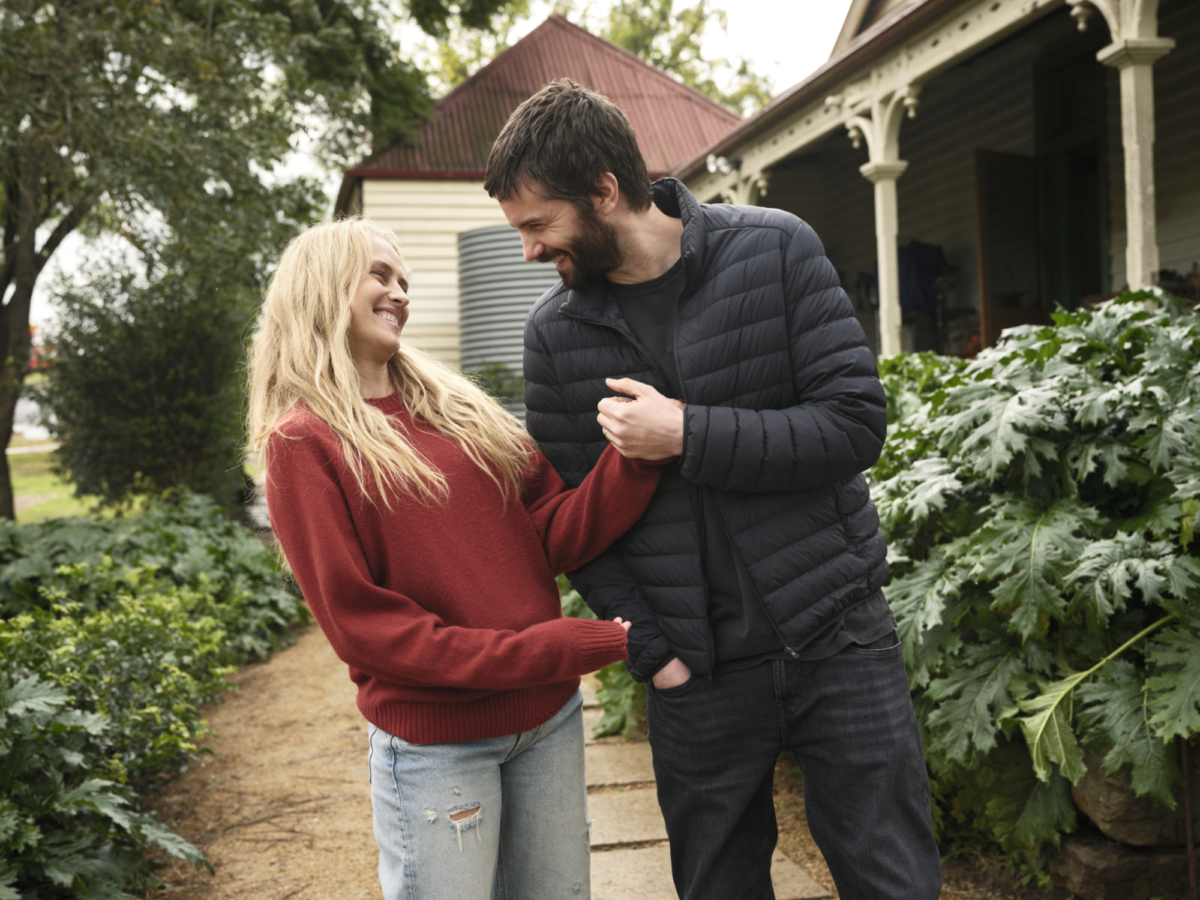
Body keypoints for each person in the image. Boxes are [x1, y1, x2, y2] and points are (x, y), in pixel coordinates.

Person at [485, 80, 943, 900]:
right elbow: (572, 523)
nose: (528, 251)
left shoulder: (775, 248)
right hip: (695, 675)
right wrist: (654, 656)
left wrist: (688, 434)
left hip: (839, 639)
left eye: (537, 224)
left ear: (604, 191)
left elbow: (853, 425)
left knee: (894, 883)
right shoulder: (554, 336)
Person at [246, 218, 669, 900]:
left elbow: (547, 536)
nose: (399, 293)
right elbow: (365, 626)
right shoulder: (304, 442)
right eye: (379, 275)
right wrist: (549, 649)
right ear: (322, 288)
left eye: (403, 280)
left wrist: (637, 459)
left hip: (547, 721)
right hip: (438, 746)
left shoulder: (457, 409)